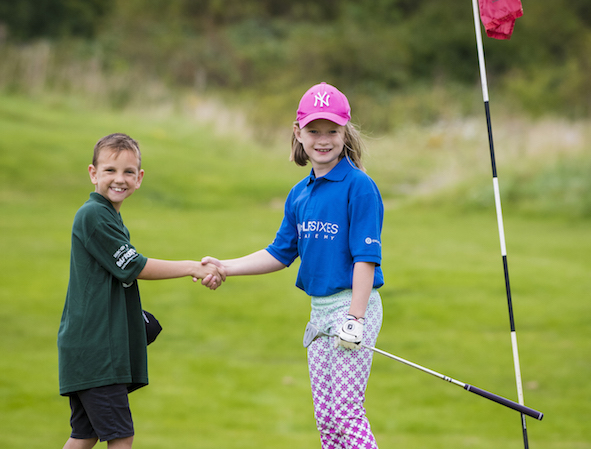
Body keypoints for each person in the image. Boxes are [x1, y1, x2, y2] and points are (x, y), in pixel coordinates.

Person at [203, 82, 385, 448]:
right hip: (319, 313)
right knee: (327, 419)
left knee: (346, 412)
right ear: (298, 132)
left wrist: (356, 317)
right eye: (314, 131)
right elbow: (280, 253)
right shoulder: (299, 193)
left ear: (345, 133)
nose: (323, 140)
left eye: (332, 131)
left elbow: (366, 259)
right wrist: (225, 266)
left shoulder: (359, 186)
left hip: (352, 307)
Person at [57, 133, 225, 449]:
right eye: (110, 170)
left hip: (89, 348)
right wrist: (193, 267)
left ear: (139, 178)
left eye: (128, 171)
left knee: (84, 435)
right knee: (121, 437)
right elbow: (134, 266)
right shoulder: (94, 215)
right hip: (97, 351)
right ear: (93, 173)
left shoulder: (109, 216)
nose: (119, 179)